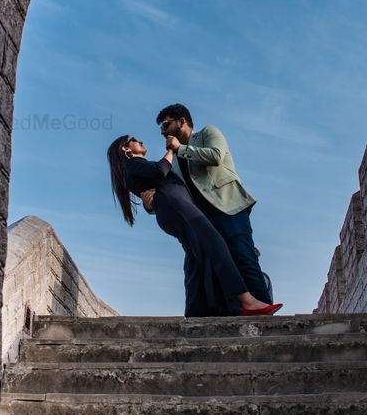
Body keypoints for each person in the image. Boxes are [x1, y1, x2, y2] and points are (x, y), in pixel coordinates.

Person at [107, 134, 283, 317]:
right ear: (125, 149)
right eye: (134, 140)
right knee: (215, 245)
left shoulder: (135, 168)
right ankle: (247, 301)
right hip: (176, 206)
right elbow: (160, 170)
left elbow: (154, 183)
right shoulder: (133, 164)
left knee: (197, 259)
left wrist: (150, 204)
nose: (141, 141)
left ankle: (197, 312)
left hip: (175, 206)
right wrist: (171, 150)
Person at [142, 104, 275, 309]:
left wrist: (180, 149)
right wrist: (150, 206)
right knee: (198, 267)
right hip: (202, 220)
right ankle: (201, 320)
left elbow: (215, 156)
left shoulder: (208, 133)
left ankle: (265, 314)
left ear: (182, 121)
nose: (162, 131)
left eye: (166, 124)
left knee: (244, 258)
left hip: (229, 208)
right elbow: (172, 192)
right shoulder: (173, 159)